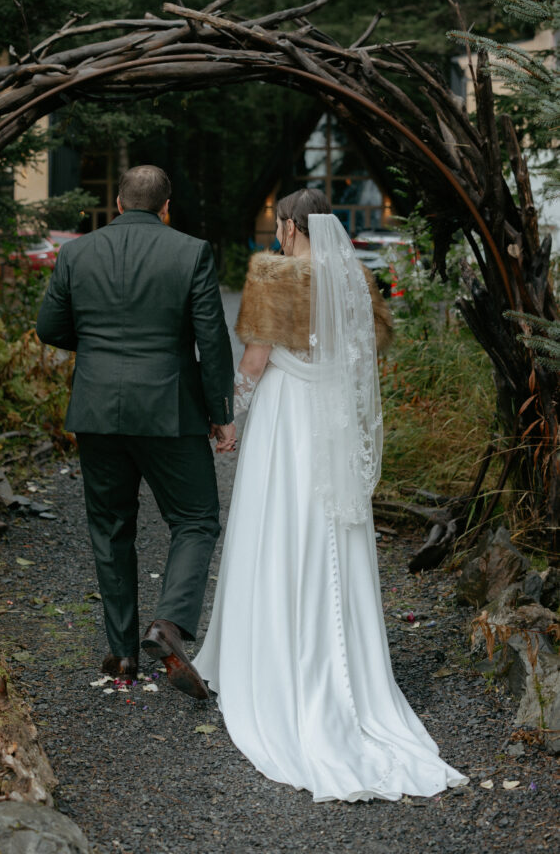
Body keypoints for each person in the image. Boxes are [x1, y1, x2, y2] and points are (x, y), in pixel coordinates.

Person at [193, 188, 468, 800]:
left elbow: (258, 359)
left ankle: (271, 658)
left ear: (291, 226)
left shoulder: (273, 272)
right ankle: (350, 669)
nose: (276, 235)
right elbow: (374, 346)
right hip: (333, 415)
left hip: (288, 415)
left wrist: (228, 413)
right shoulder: (353, 278)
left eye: (279, 225)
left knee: (278, 524)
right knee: (330, 529)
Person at [37, 165, 235, 700]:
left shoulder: (76, 254)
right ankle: (167, 624)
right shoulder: (190, 252)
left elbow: (50, 328)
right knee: (195, 518)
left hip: (97, 409)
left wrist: (102, 350)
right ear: (166, 207)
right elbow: (211, 338)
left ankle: (122, 653)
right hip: (169, 408)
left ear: (119, 204)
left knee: (110, 525)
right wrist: (221, 411)